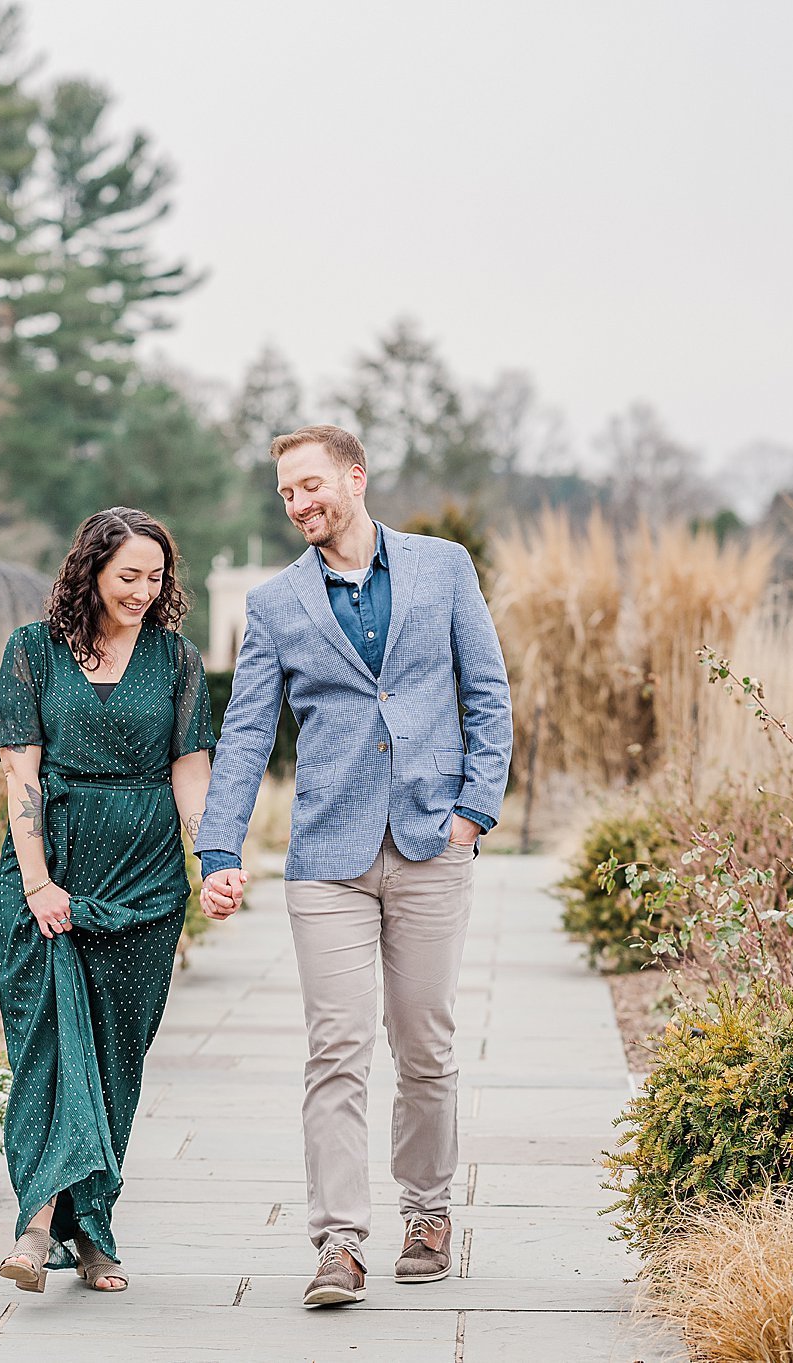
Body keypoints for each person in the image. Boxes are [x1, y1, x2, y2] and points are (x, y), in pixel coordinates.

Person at [195, 424, 512, 1307]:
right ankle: (338, 1243)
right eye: (287, 492)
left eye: (310, 485)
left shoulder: (443, 568)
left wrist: (473, 810)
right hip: (325, 857)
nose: (299, 503)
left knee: (425, 1044)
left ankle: (427, 1213)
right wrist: (219, 848)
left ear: (355, 477)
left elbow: (486, 689)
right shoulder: (274, 604)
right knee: (335, 1050)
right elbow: (248, 731)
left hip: (430, 844)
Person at [0, 507, 217, 1294]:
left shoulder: (176, 658)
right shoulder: (31, 651)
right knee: (48, 1049)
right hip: (48, 877)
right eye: (129, 577)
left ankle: (93, 1230)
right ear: (89, 571)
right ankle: (37, 1223)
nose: (144, 592)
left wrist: (209, 858)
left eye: (156, 578)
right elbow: (21, 776)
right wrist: (41, 879)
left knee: (117, 1056)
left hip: (146, 882)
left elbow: (190, 771)